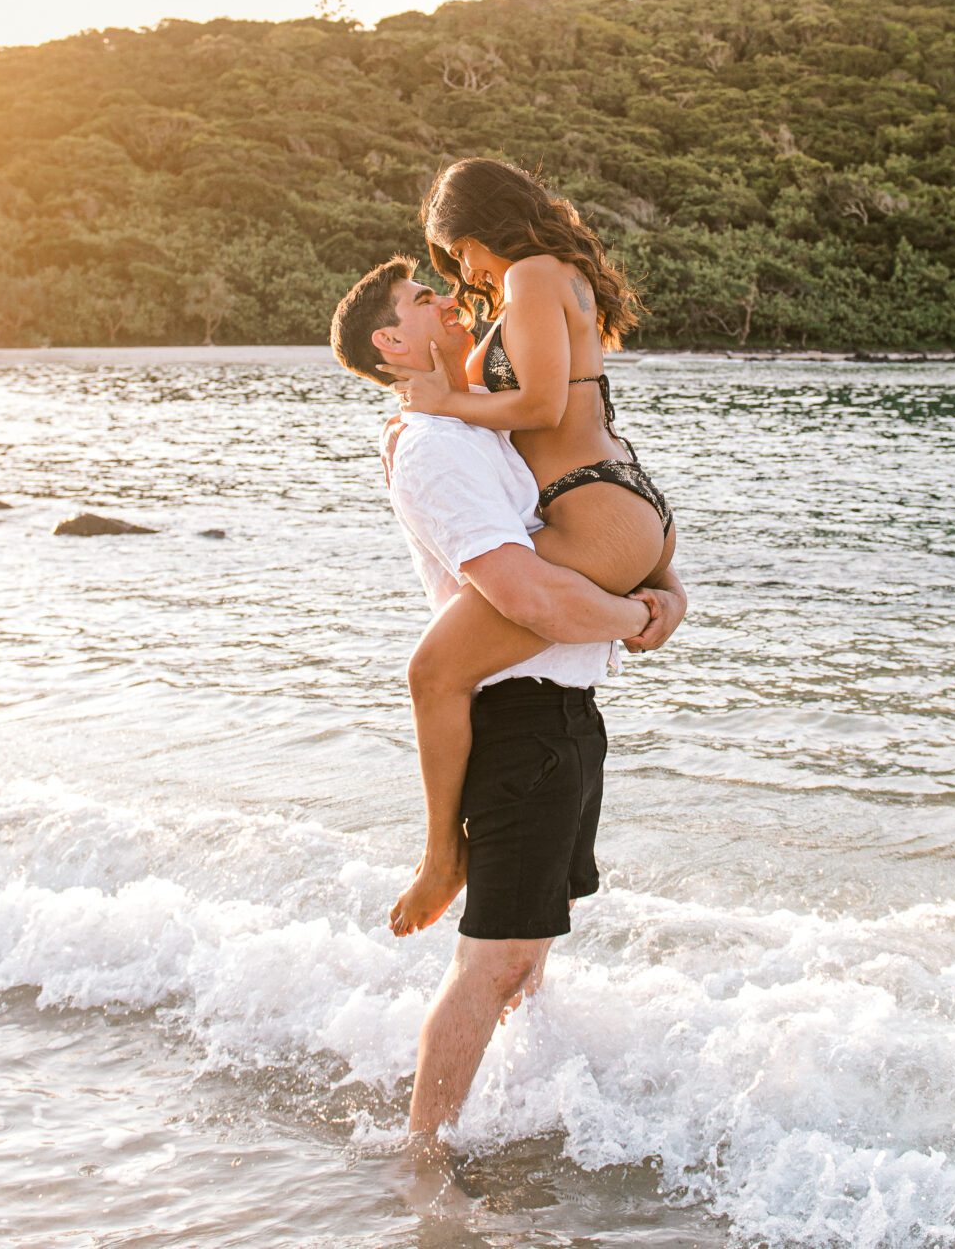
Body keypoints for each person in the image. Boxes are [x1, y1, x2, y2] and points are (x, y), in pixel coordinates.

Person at [329, 256, 689, 1161]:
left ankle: (516, 1127)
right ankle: (426, 1156)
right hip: (519, 722)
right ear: (392, 341)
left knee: (522, 960)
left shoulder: (481, 424)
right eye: (422, 300)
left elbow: (595, 514)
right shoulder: (434, 446)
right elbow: (527, 593)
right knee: (490, 963)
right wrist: (638, 616)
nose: (447, 301)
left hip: (566, 718)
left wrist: (660, 594)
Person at [382, 158, 676, 936]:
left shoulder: (534, 276)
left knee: (434, 671)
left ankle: (443, 858)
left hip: (595, 506)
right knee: (444, 666)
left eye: (458, 255)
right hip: (616, 501)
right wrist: (426, 417)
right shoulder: (560, 274)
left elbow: (542, 404)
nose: (462, 274)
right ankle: (455, 861)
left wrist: (445, 400)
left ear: (477, 233)